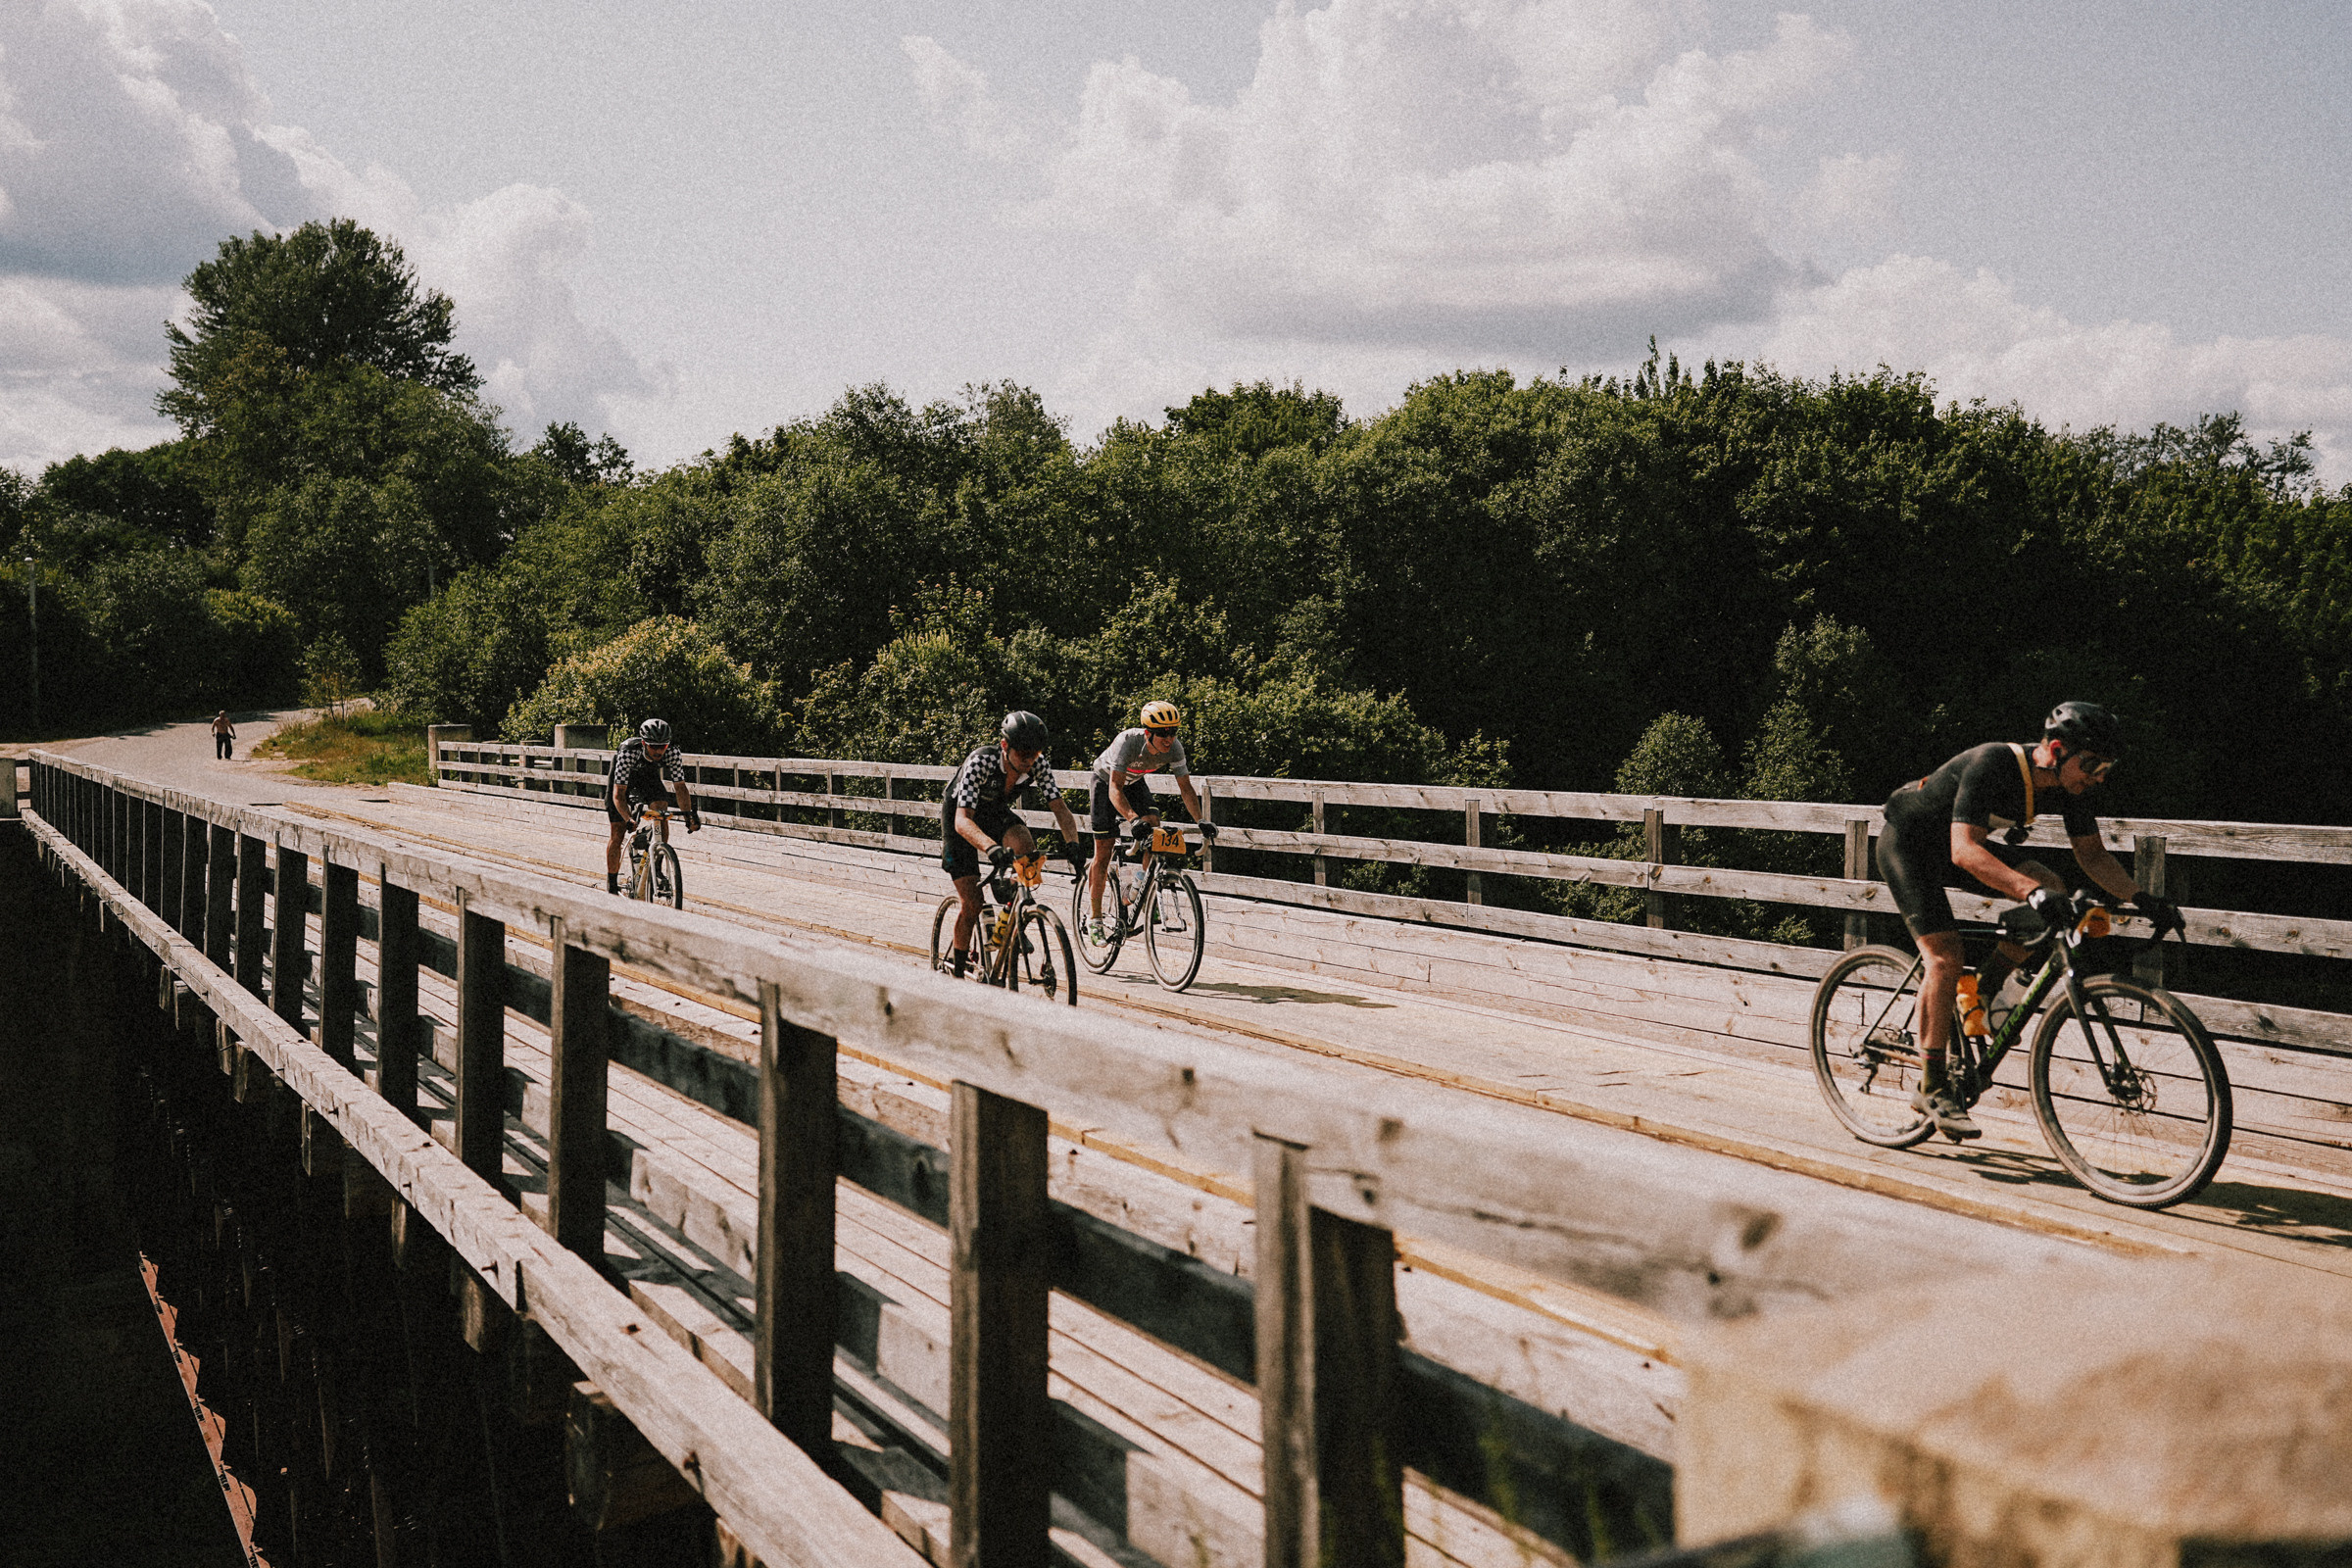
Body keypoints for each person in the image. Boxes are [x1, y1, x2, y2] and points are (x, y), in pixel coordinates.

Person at [1876, 701, 2179, 1140]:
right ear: (2055, 750)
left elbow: (2092, 856)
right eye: (2091, 764)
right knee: (1945, 957)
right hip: (1908, 845)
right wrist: (2031, 893)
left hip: (1954, 848)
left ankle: (1984, 989)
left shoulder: (2070, 786)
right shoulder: (1992, 762)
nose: (2097, 776)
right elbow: (1965, 851)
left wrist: (2143, 898)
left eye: (2106, 767)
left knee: (2049, 883)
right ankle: (1933, 1085)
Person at [941, 710, 1084, 978]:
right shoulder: (981, 762)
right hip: (960, 816)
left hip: (993, 811)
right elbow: (962, 821)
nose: (1030, 761)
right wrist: (990, 847)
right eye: (1024, 755)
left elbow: (1060, 808)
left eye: (1035, 754)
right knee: (972, 903)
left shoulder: (1038, 764)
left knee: (1025, 847)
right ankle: (956, 976)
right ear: (1005, 747)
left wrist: (1073, 844)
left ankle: (1009, 921)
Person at [1085, 699, 1216, 943]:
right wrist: (1132, 819)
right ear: (1148, 733)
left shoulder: (1175, 749)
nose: (1169, 739)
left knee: (1154, 825)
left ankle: (1140, 886)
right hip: (1105, 782)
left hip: (1134, 782)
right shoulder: (1128, 741)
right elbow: (1114, 788)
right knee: (1103, 851)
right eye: (1163, 733)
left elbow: (1186, 788)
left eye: (1173, 732)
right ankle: (1095, 918)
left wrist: (1201, 821)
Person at [605, 717, 701, 894]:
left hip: (648, 777)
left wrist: (689, 814)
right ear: (643, 743)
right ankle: (611, 883)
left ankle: (657, 867)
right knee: (617, 833)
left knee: (661, 810)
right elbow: (618, 795)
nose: (658, 751)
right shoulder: (628, 752)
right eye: (653, 746)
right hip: (622, 782)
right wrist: (627, 819)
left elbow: (680, 787)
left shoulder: (672, 752)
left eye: (662, 746)